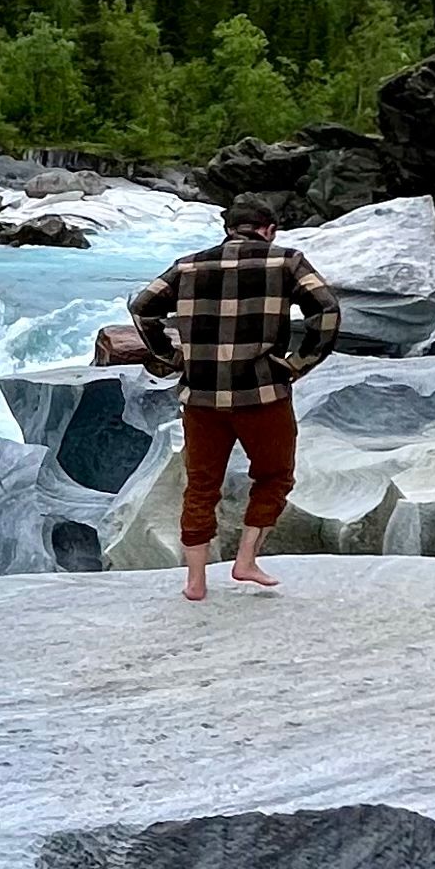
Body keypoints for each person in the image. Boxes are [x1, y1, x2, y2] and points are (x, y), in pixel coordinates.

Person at [128, 195, 340, 602]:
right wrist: (297, 363)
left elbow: (143, 307)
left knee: (201, 485)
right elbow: (327, 310)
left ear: (228, 229)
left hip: (201, 397)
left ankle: (195, 582)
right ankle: (245, 560)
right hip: (262, 393)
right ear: (269, 228)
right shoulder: (286, 261)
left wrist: (171, 356)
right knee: (274, 476)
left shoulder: (188, 265)